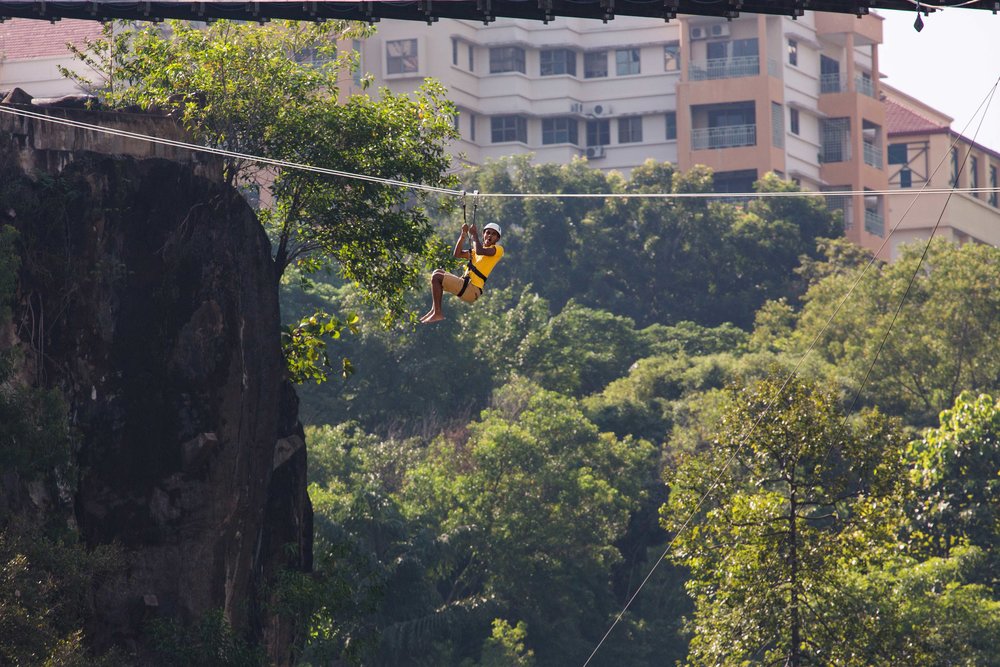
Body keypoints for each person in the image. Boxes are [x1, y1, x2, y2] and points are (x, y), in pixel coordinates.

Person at [420, 221, 504, 324]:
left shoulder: (497, 250)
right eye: (488, 232)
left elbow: (480, 251)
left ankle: (437, 312)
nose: (490, 235)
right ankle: (435, 311)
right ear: (484, 234)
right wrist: (463, 234)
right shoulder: (475, 251)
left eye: (493, 234)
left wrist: (474, 235)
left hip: (472, 290)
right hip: (466, 285)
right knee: (438, 272)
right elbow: (457, 254)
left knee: (437, 276)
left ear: (497, 239)